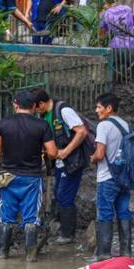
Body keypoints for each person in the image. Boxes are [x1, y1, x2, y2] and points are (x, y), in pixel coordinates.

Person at [0, 89, 57, 261]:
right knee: (31, 219)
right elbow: (52, 152)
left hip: (8, 177)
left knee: (6, 217)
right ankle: (30, 257)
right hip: (32, 178)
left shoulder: (4, 124)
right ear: (34, 106)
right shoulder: (42, 126)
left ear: (15, 105)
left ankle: (2, 254)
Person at [34, 89, 90, 245]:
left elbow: (81, 132)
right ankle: (60, 225)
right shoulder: (44, 115)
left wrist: (66, 151)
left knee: (64, 196)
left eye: (35, 108)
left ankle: (67, 234)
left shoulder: (63, 111)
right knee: (59, 194)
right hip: (58, 162)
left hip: (72, 161)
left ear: (41, 104)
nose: (34, 112)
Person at [90, 92, 134, 259]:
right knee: (124, 211)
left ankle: (103, 254)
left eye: (99, 107)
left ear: (109, 108)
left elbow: (100, 154)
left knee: (105, 213)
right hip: (124, 178)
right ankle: (126, 253)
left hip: (107, 178)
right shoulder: (126, 125)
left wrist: (92, 158)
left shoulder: (103, 126)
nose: (96, 110)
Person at [100, 0, 134, 82]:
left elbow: (102, 32)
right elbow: (133, 24)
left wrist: (102, 41)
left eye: (104, 5)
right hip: (131, 45)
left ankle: (114, 85)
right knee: (132, 70)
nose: (103, 8)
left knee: (115, 69)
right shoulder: (128, 9)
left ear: (107, 3)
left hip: (116, 46)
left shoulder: (106, 13)